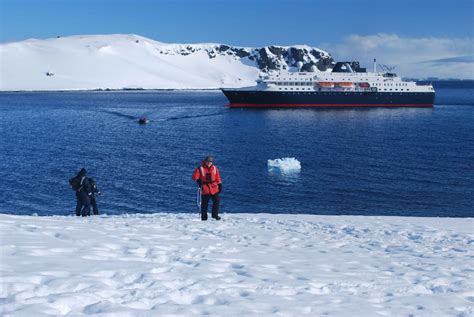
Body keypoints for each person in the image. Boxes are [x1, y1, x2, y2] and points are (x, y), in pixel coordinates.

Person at [192, 155, 222, 221]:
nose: (209, 163)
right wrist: (198, 180)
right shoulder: (200, 168)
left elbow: (218, 177)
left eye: (210, 161)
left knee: (217, 201)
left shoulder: (214, 168)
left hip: (214, 188)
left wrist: (220, 184)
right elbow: (194, 176)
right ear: (205, 161)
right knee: (204, 204)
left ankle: (215, 215)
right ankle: (204, 217)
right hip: (205, 188)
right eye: (208, 161)